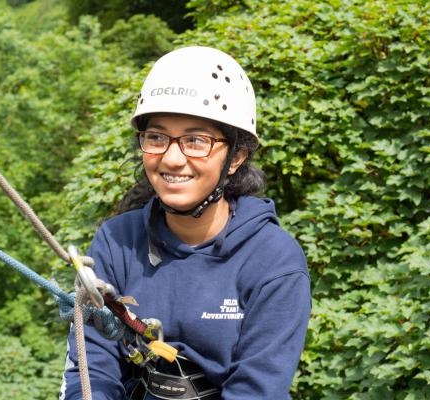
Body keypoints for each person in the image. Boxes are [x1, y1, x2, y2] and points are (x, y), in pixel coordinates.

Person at [60, 46, 311, 400]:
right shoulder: (117, 241)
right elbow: (93, 369)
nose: (172, 159)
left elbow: (258, 390)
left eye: (196, 140)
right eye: (157, 138)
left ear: (236, 156)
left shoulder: (272, 260)